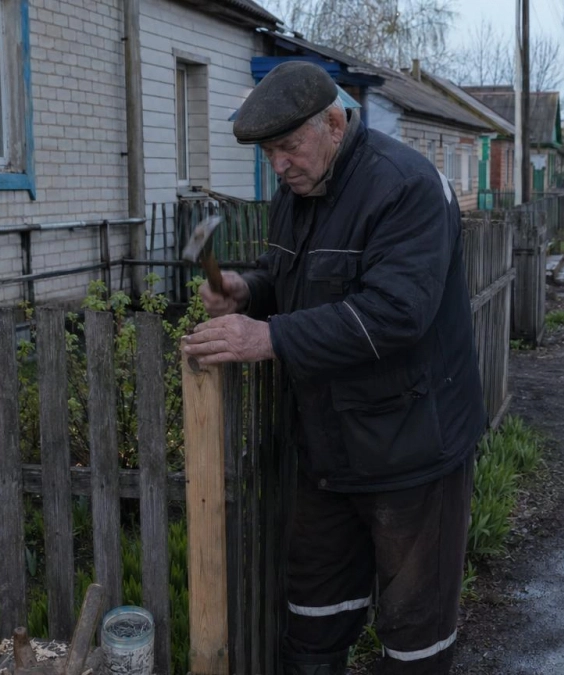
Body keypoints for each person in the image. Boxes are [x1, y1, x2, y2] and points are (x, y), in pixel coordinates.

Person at [180, 61, 486, 675]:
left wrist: (266, 337)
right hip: (327, 453)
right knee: (315, 624)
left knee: (412, 637)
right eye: (269, 153)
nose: (279, 165)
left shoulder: (406, 187)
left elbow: (397, 313)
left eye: (288, 147)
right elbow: (307, 288)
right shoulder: (297, 196)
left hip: (411, 453)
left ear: (335, 122)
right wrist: (249, 290)